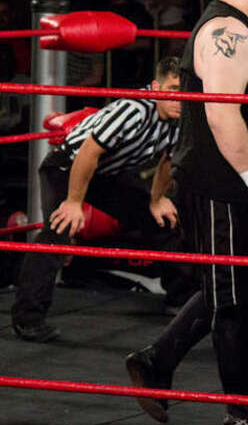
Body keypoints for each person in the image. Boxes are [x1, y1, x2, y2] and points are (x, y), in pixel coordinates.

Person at [124, 0, 248, 425]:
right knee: (234, 299)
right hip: (226, 187)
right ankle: (240, 405)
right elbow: (222, 116)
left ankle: (156, 361)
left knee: (231, 289)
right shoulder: (226, 31)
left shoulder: (244, 28)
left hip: (237, 186)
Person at [11, 57, 183, 343]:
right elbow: (87, 153)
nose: (179, 98)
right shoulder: (133, 110)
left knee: (164, 221)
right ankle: (27, 318)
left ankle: (180, 300)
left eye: (185, 90)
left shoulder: (181, 118)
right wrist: (74, 202)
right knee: (59, 232)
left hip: (107, 174)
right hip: (67, 167)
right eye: (173, 89)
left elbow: (168, 159)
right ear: (156, 86)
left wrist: (157, 199)